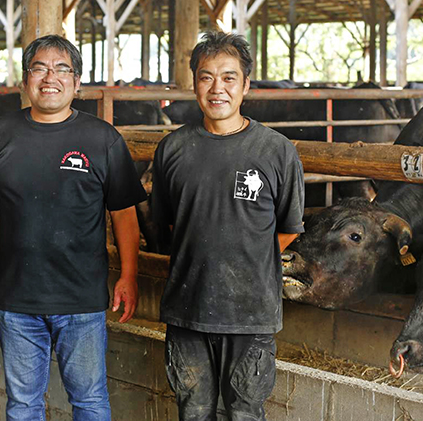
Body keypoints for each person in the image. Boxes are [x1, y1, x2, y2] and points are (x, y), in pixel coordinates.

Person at [0, 34, 146, 420]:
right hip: (15, 298)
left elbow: (124, 213)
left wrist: (129, 275)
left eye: (62, 69)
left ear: (77, 83)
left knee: (89, 400)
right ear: (26, 79)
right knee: (23, 405)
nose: (50, 77)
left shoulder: (102, 138)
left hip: (82, 300)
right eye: (40, 68)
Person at [152, 32, 305, 420]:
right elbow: (165, 223)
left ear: (246, 85)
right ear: (194, 83)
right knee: (194, 410)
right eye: (206, 77)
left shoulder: (276, 151)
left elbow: (287, 228)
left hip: (250, 313)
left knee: (245, 413)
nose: (216, 88)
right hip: (188, 308)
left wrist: (248, 260)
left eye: (228, 77)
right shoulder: (173, 149)